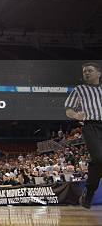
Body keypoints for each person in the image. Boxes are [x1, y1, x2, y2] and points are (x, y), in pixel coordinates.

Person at [65, 61, 102, 209]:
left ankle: (88, 192)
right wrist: (76, 115)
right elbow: (68, 110)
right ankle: (90, 192)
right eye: (84, 71)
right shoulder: (79, 89)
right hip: (91, 125)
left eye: (90, 70)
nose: (86, 73)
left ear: (99, 73)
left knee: (98, 161)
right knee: (99, 158)